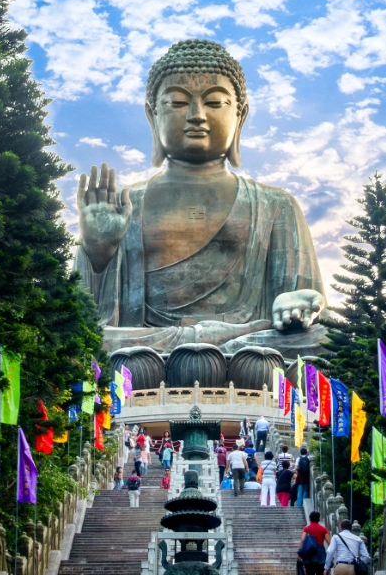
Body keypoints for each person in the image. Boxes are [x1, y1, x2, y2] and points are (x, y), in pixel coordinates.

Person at [75, 40, 328, 356]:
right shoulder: (124, 205)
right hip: (154, 347)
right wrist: (98, 253)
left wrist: (297, 302)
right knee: (84, 341)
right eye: (178, 102)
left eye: (215, 102)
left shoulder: (276, 204)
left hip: (248, 343)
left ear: (240, 114)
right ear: (152, 115)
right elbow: (83, 318)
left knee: (320, 340)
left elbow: (307, 312)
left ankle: (213, 351)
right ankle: (208, 351)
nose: (196, 115)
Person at [299, 511, 331, 575]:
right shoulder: (324, 529)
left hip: (309, 553)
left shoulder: (306, 528)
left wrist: (299, 553)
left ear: (310, 519)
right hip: (320, 554)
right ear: (319, 519)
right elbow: (330, 543)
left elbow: (302, 540)